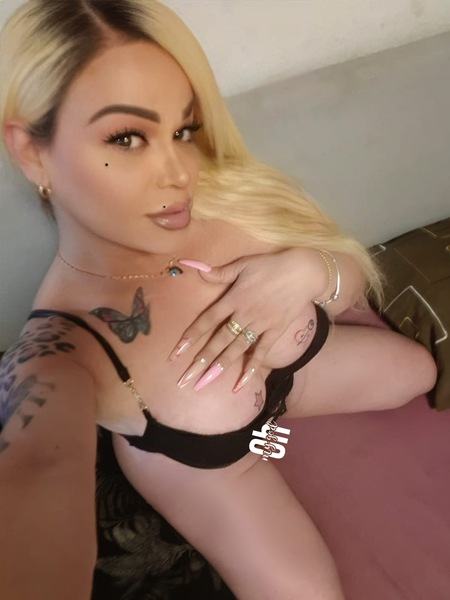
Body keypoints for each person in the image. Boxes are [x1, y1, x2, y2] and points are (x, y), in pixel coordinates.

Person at [0, 1, 437, 599]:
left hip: (290, 383)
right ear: (32, 152)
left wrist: (310, 271)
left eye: (181, 130)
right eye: (126, 137)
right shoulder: (65, 342)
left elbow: (354, 279)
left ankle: (271, 425)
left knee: (418, 372)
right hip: (212, 462)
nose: (179, 172)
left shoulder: (229, 193)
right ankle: (256, 442)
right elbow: (35, 466)